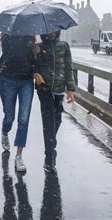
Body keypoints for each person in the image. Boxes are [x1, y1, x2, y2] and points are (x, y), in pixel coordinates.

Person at [33, 31, 75, 173]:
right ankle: (49, 157)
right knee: (49, 121)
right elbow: (31, 65)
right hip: (44, 88)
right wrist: (35, 71)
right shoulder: (38, 47)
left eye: (53, 30)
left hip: (58, 89)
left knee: (57, 120)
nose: (50, 32)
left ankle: (51, 144)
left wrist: (70, 88)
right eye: (47, 30)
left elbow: (68, 67)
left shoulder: (64, 46)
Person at [0, 34, 36, 172]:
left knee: (24, 119)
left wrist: (36, 51)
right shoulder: (7, 33)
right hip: (8, 79)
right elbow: (8, 53)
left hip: (26, 81)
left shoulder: (30, 35)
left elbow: (34, 60)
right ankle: (5, 131)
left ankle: (19, 155)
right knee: (9, 116)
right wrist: (24, 44)